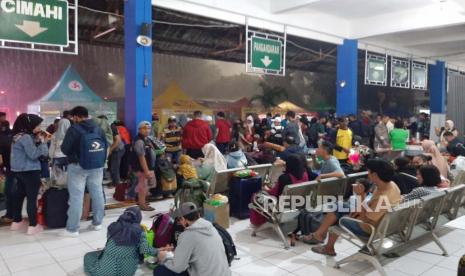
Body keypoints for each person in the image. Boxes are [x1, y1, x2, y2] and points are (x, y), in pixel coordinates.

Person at [308, 159, 401, 256]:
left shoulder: (383, 198)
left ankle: (326, 245)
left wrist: (361, 196)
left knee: (338, 216)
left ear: (375, 175)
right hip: (383, 224)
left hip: (370, 229)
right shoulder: (391, 185)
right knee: (340, 206)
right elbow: (370, 207)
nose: (368, 174)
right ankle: (319, 235)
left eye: (369, 171)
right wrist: (359, 208)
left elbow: (365, 219)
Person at [61, 106, 108, 237]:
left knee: (76, 197)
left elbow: (65, 149)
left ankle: (73, 229)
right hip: (97, 166)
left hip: (78, 167)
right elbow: (105, 145)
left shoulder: (74, 129)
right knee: (97, 193)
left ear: (76, 117)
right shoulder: (98, 128)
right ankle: (97, 223)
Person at [154, 202, 231, 276]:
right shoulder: (212, 228)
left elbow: (178, 267)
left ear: (183, 219)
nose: (180, 223)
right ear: (198, 214)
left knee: (159, 270)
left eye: (179, 220)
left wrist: (164, 258)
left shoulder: (188, 235)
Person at [84, 207, 161, 276]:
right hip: (127, 272)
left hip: (106, 272)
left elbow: (110, 242)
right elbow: (145, 249)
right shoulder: (139, 231)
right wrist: (158, 251)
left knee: (88, 256)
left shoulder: (113, 226)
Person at [9, 114, 50, 235]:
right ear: (30, 125)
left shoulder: (17, 136)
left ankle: (16, 222)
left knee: (19, 196)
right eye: (38, 125)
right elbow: (33, 155)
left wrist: (36, 140)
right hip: (30, 171)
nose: (39, 127)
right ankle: (33, 225)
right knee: (32, 199)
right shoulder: (26, 137)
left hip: (18, 171)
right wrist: (43, 142)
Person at [251, 154, 310, 227]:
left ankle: (258, 222)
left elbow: (273, 194)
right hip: (298, 205)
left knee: (256, 196)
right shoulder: (305, 174)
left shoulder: (284, 178)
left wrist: (265, 188)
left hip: (281, 208)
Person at [132, 121, 157, 211]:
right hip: (142, 169)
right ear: (139, 129)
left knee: (145, 186)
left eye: (148, 128)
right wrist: (146, 171)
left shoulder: (147, 139)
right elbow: (141, 157)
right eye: (144, 128)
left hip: (149, 167)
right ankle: (142, 205)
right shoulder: (139, 141)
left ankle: (143, 202)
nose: (147, 130)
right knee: (143, 187)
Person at [0, 111, 13, 224]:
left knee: (9, 190)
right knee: (9, 190)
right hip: (7, 165)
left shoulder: (10, 132)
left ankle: (10, 214)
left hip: (9, 165)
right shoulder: (9, 133)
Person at [108, 121, 124, 187]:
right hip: (116, 149)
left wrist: (110, 149)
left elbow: (118, 140)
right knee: (112, 166)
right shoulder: (111, 127)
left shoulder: (112, 127)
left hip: (118, 149)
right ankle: (114, 181)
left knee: (115, 167)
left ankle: (116, 184)